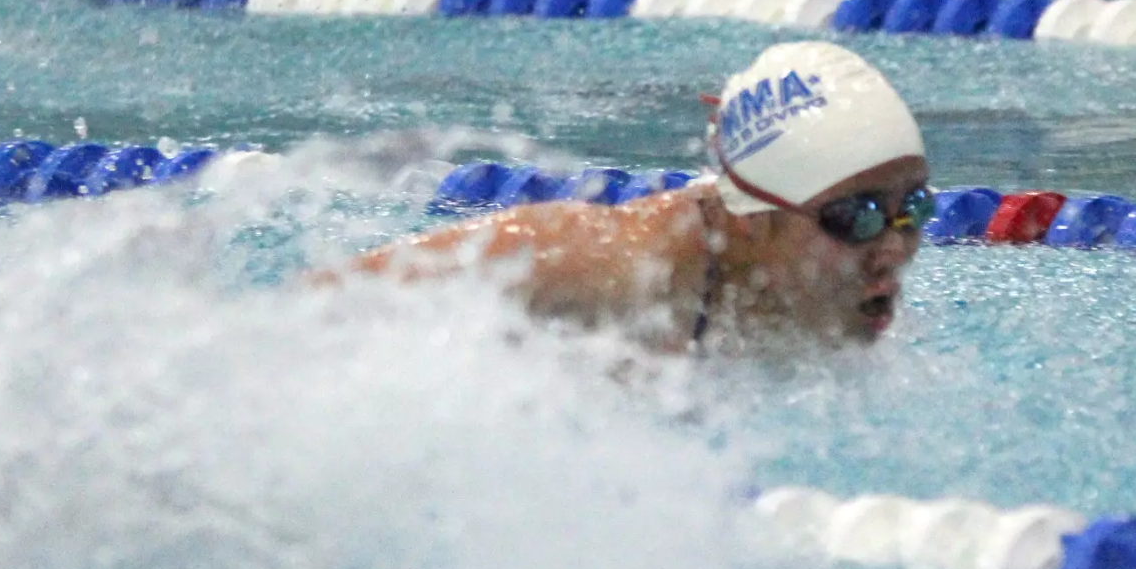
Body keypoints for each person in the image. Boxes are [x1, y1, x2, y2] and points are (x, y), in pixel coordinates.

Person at [342, 41, 934, 353]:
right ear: (755, 216)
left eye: (913, 208)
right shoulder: (607, 267)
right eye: (856, 217)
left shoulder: (832, 306)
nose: (893, 249)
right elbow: (330, 304)